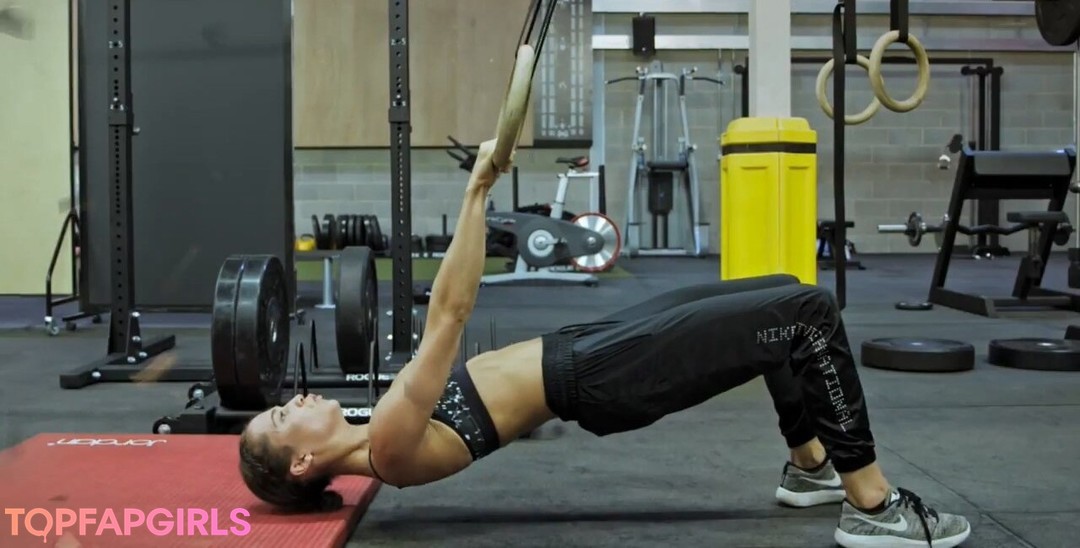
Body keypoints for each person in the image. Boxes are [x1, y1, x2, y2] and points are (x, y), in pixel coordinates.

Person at [239, 139, 971, 548]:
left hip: (587, 348)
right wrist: (476, 192)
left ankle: (810, 466)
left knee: (781, 291)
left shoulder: (375, 429)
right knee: (807, 315)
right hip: (601, 375)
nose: (291, 400)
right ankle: (872, 505)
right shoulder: (390, 448)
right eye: (280, 416)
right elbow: (450, 314)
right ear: (302, 461)